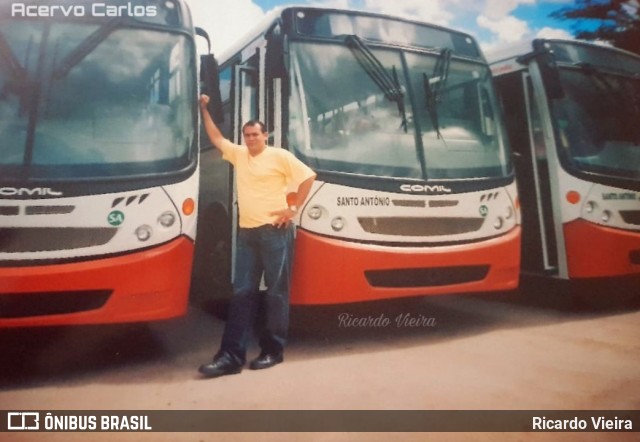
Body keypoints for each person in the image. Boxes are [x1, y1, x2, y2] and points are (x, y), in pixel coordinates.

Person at [198, 94, 316, 378]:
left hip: (275, 233)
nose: (250, 139)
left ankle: (272, 352)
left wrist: (292, 209)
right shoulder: (239, 154)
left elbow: (308, 177)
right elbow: (216, 138)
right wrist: (203, 108)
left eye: (255, 134)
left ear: (266, 135)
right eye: (247, 135)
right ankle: (230, 357)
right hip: (247, 233)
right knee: (241, 293)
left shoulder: (280, 156)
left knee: (276, 293)